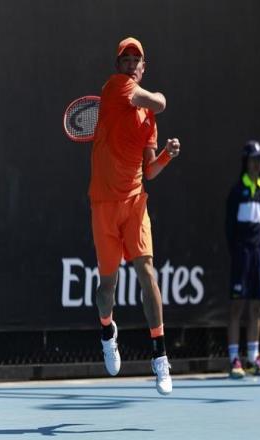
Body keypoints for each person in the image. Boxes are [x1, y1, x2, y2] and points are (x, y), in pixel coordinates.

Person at [88, 37, 180, 395]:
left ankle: (160, 355)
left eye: (135, 60)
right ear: (119, 67)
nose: (130, 64)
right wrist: (159, 98)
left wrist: (167, 155)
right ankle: (107, 330)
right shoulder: (115, 87)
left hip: (135, 203)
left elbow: (150, 170)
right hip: (103, 205)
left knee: (147, 273)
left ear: (143, 67)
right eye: (125, 59)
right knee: (106, 289)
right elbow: (161, 101)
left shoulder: (148, 121)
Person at [225, 140, 260, 379]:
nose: (256, 164)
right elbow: (229, 227)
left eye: (259, 160)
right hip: (241, 253)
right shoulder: (237, 191)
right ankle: (234, 359)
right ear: (245, 163)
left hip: (259, 253)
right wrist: (237, 250)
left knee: (256, 306)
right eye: (253, 160)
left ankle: (254, 358)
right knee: (237, 306)